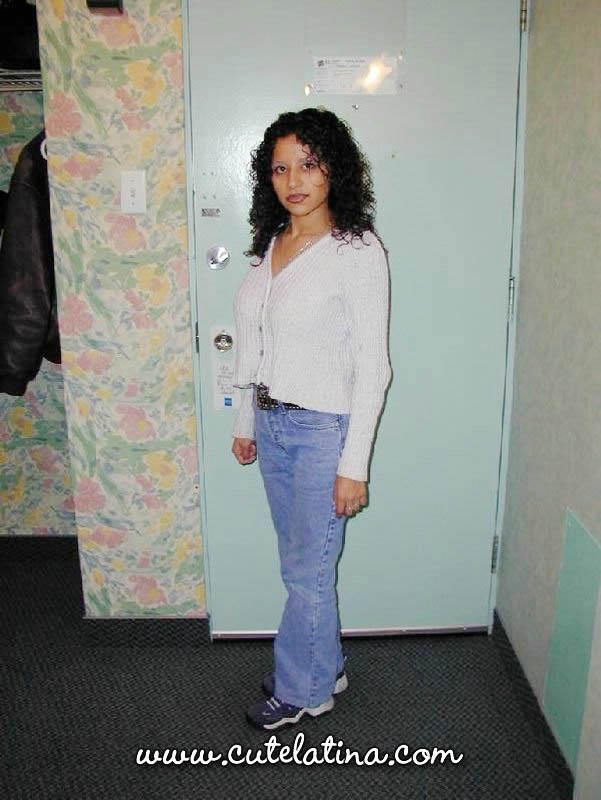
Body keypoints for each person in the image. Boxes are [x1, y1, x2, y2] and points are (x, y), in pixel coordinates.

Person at [231, 107, 391, 731]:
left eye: (309, 164)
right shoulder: (271, 245)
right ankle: (324, 665)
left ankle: (305, 691)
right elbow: (254, 344)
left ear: (334, 170)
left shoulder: (357, 250)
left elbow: (373, 367)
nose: (293, 180)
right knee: (301, 564)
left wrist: (355, 465)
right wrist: (246, 420)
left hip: (324, 431)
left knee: (307, 571)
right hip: (273, 426)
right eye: (280, 168)